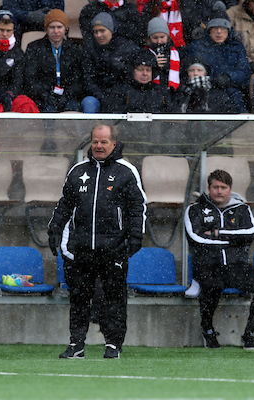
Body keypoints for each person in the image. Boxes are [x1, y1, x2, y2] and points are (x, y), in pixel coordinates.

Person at [48, 124, 146, 359]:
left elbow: (137, 207)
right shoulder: (78, 171)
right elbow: (64, 205)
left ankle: (113, 345)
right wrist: (54, 230)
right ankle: (76, 345)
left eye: (103, 142)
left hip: (114, 248)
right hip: (81, 248)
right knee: (79, 298)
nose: (99, 146)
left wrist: (135, 237)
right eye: (95, 141)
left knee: (115, 298)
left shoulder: (127, 171)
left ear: (114, 144)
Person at [185, 169, 254, 350]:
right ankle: (207, 329)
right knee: (212, 285)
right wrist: (233, 240)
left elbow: (250, 234)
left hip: (236, 266)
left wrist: (217, 233)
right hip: (208, 266)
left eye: (223, 187)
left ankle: (249, 332)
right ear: (209, 188)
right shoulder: (195, 210)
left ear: (230, 190)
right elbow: (196, 239)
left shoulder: (242, 209)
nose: (219, 191)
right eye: (215, 187)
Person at [187, 1, 250, 113]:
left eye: (223, 28)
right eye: (215, 28)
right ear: (209, 30)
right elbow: (193, 72)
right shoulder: (197, 46)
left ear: (228, 30)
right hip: (206, 92)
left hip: (233, 91)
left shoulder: (237, 46)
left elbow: (244, 73)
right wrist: (214, 80)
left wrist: (228, 78)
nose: (219, 32)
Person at [23, 9, 83, 112]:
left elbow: (77, 79)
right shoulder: (34, 48)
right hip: (43, 97)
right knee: (49, 110)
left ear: (65, 29)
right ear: (46, 29)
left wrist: (66, 96)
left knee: (73, 109)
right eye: (52, 27)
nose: (56, 31)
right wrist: (44, 94)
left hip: (68, 97)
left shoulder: (74, 49)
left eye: (59, 27)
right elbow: (31, 78)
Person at [81, 12, 139, 113]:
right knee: (89, 103)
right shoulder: (89, 48)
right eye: (95, 32)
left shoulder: (127, 48)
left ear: (112, 30)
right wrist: (102, 97)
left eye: (102, 31)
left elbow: (131, 76)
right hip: (98, 96)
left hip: (122, 95)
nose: (99, 35)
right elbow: (88, 79)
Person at [101, 48, 171, 113]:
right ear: (132, 71)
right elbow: (113, 115)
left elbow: (171, 116)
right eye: (140, 70)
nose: (145, 73)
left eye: (148, 70)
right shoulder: (120, 91)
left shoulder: (161, 92)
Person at [174, 55, 239, 113]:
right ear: (187, 73)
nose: (195, 73)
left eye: (199, 70)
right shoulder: (181, 93)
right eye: (192, 70)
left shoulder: (217, 93)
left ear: (205, 73)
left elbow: (229, 112)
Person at [79, 0, 144, 46]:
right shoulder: (90, 9)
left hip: (124, 52)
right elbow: (89, 37)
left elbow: (135, 35)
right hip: (98, 52)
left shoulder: (130, 9)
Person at [145, 17, 182, 91]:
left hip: (171, 92)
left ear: (167, 37)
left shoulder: (176, 53)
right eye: (155, 38)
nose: (159, 41)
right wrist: (153, 64)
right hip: (151, 92)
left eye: (162, 37)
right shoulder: (144, 53)